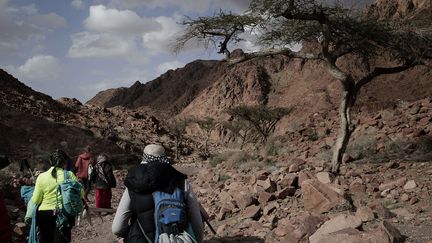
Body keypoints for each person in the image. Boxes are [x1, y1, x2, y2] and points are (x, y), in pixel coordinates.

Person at [112, 144, 204, 243]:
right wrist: (197, 239)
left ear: (144, 158)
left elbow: (117, 228)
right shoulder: (181, 181)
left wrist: (130, 234)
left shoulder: (133, 182)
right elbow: (197, 222)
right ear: (164, 157)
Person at [28, 149, 83, 243]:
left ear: (50, 161)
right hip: (64, 215)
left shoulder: (41, 177)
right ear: (65, 162)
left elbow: (36, 199)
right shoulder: (69, 175)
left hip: (44, 215)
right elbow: (81, 193)